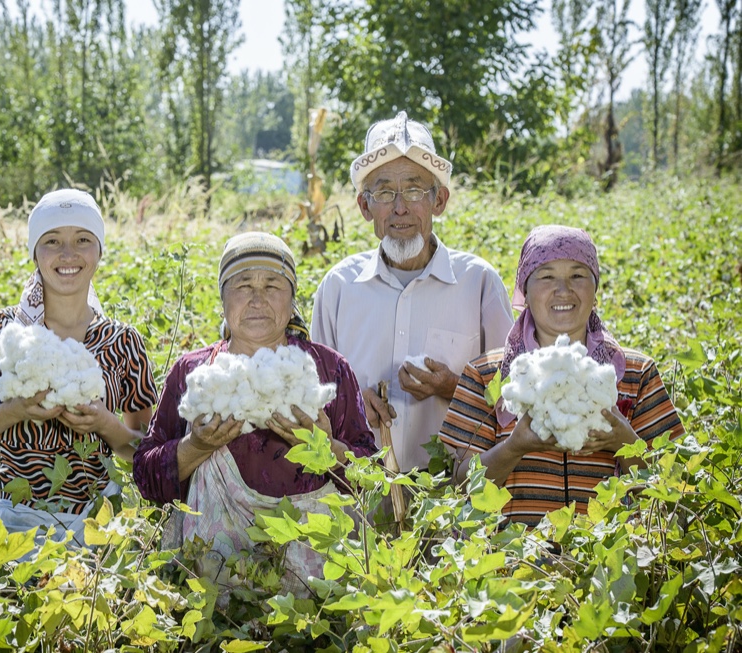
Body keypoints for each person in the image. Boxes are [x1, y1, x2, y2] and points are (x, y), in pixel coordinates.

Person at [133, 232, 377, 596]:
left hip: (314, 591)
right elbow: (146, 477)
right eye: (243, 285)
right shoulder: (193, 372)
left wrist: (326, 449)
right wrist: (195, 447)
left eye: (272, 285)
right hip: (213, 587)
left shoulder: (328, 369)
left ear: (293, 299)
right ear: (222, 301)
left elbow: (371, 478)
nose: (258, 299)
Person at [0, 188, 158, 547]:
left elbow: (146, 453)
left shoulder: (124, 343)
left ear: (99, 251)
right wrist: (13, 412)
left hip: (99, 529)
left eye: (83, 239)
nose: (68, 254)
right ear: (34, 252)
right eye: (52, 241)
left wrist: (105, 423)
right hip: (16, 527)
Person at [438, 225, 685, 526]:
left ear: (595, 291)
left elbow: (676, 483)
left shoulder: (635, 374)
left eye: (578, 276)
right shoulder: (487, 376)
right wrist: (513, 448)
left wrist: (624, 442)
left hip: (609, 565)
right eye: (546, 276)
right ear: (525, 291)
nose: (563, 290)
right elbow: (458, 485)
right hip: (512, 564)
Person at [311, 111, 514, 473]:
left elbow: (513, 400)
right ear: (364, 206)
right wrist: (350, 403)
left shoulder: (479, 284)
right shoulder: (338, 289)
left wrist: (453, 387)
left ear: (439, 201)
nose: (400, 207)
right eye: (385, 191)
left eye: (415, 189)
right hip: (358, 507)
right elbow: (310, 400)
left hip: (453, 507)